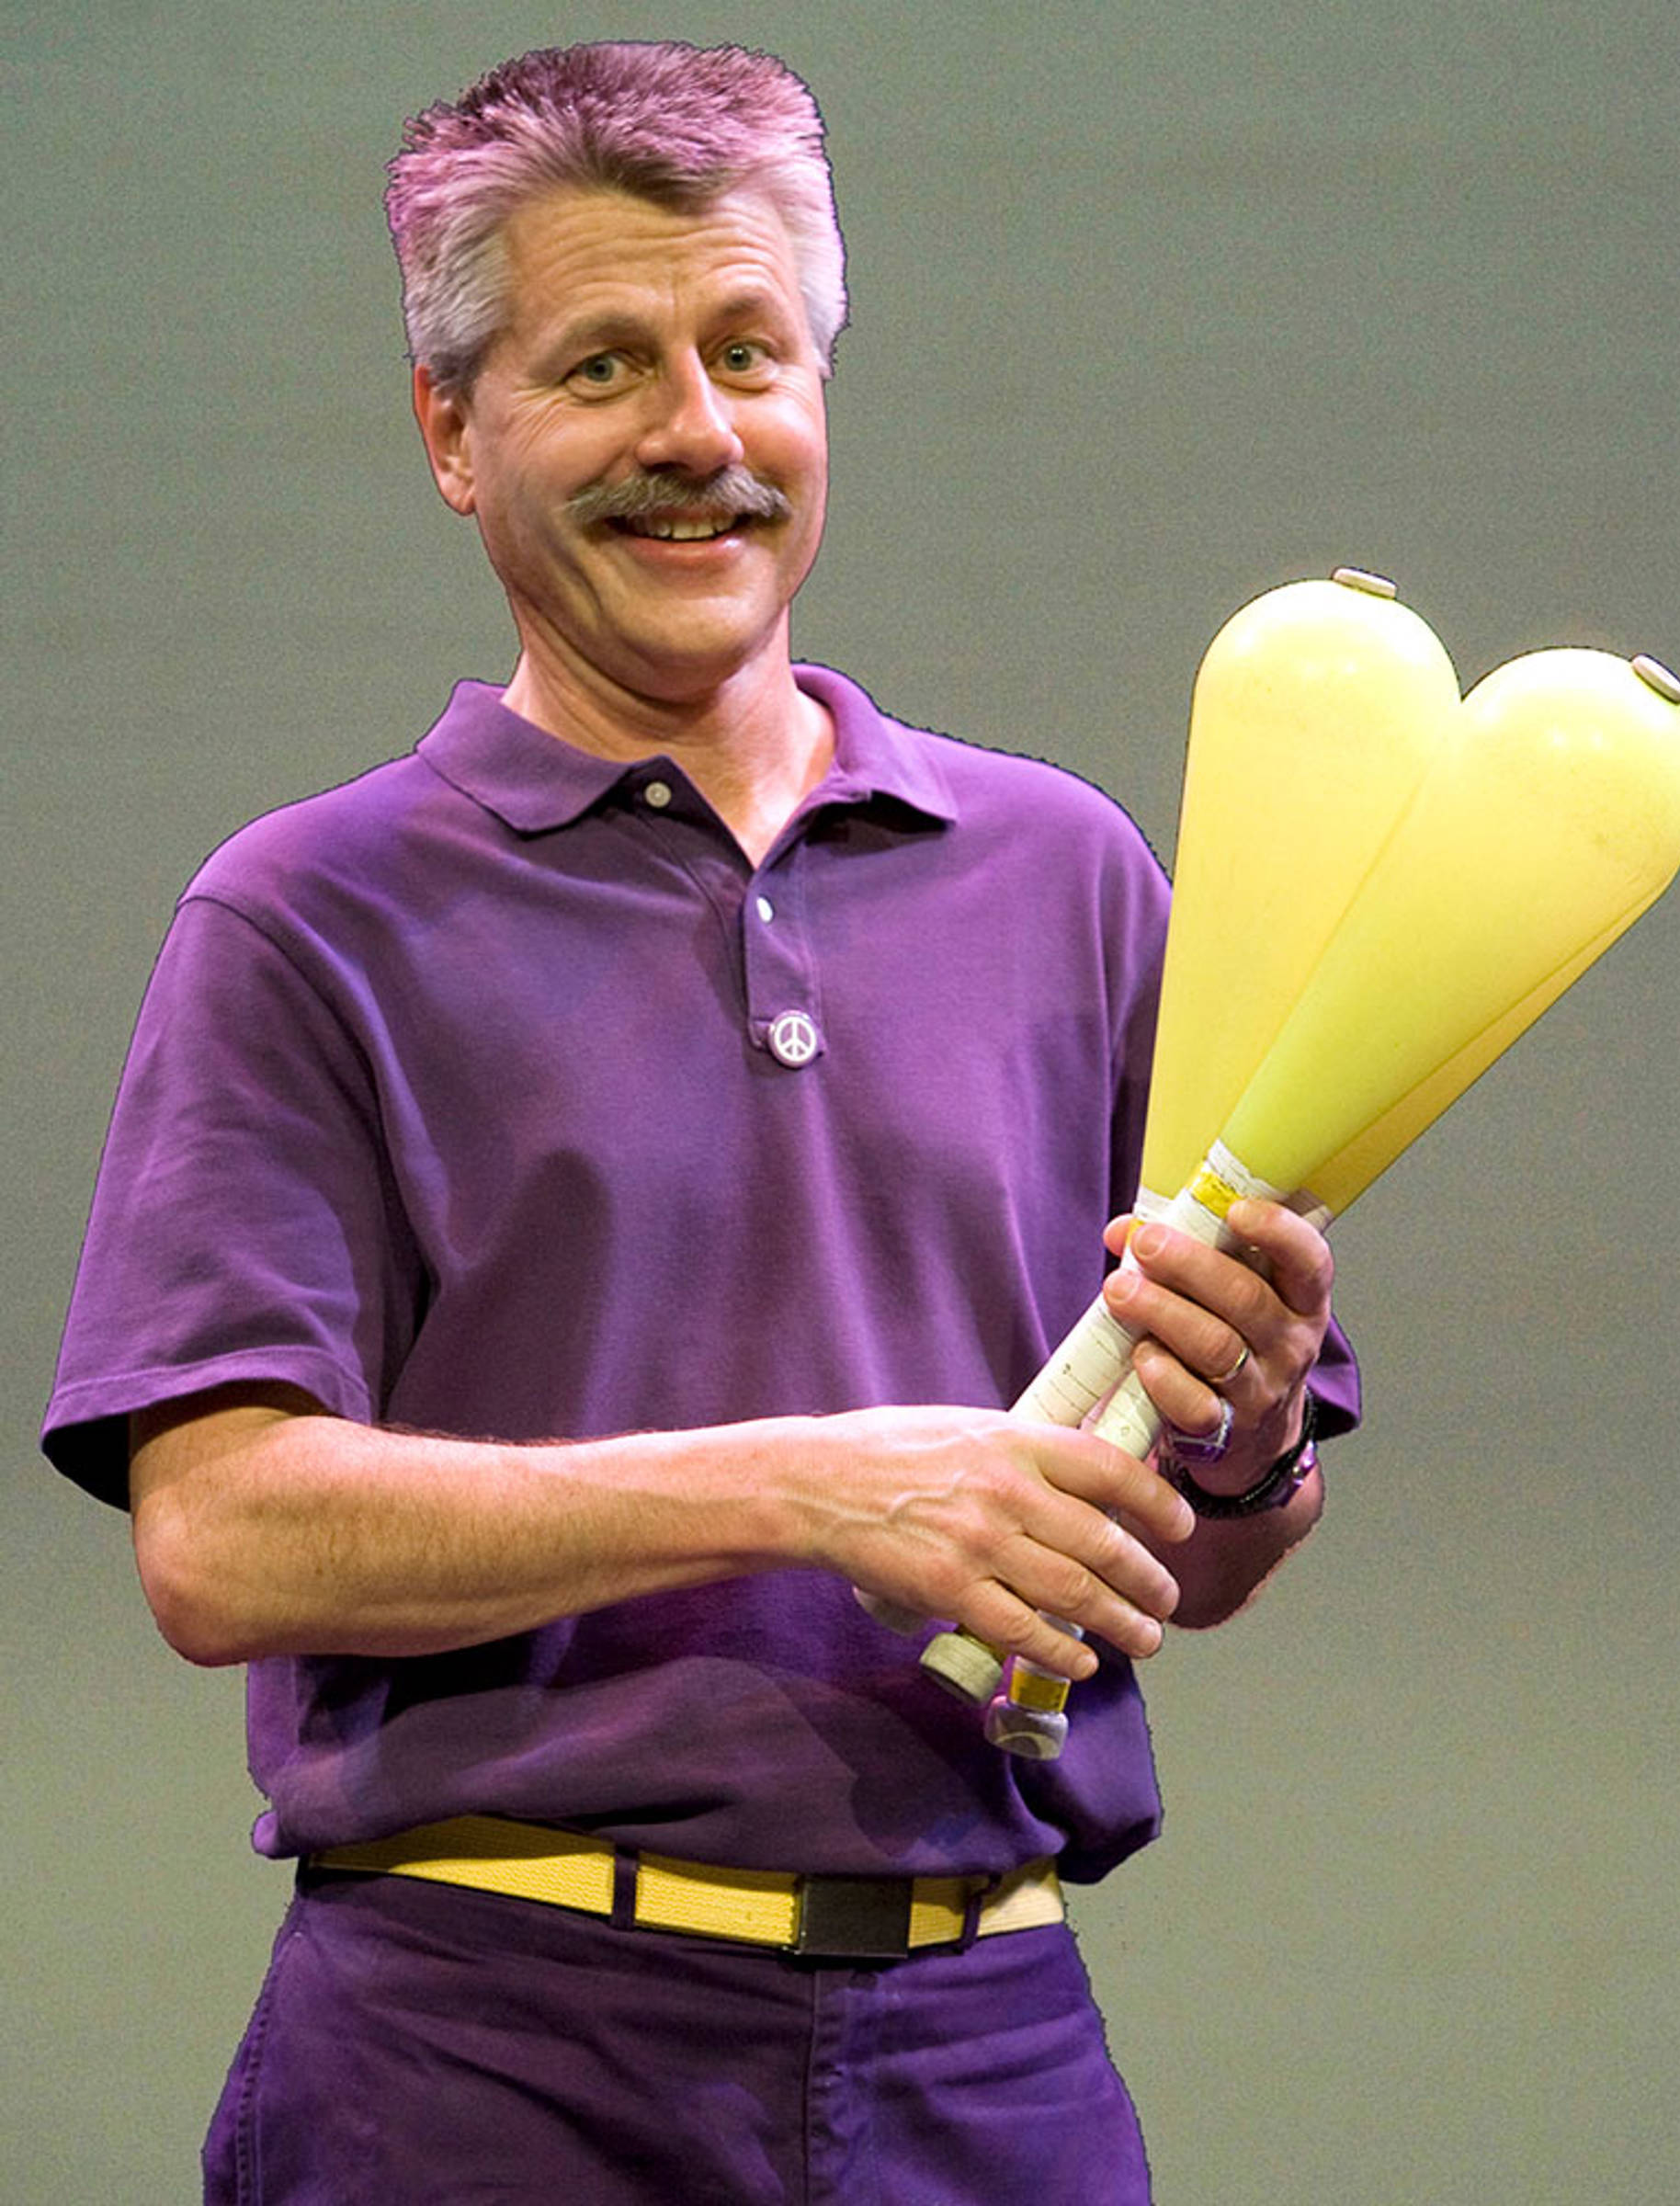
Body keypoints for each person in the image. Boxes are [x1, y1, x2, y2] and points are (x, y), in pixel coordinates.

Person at [43, 40, 1357, 2205]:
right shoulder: (308, 916)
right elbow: (219, 1541)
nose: (699, 434)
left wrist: (1248, 1430)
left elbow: (1200, 1562)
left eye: (754, 351)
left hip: (989, 2052)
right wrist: (810, 1491)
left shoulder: (1073, 876)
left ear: (821, 390)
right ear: (452, 435)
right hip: (485, 2062)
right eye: (604, 366)